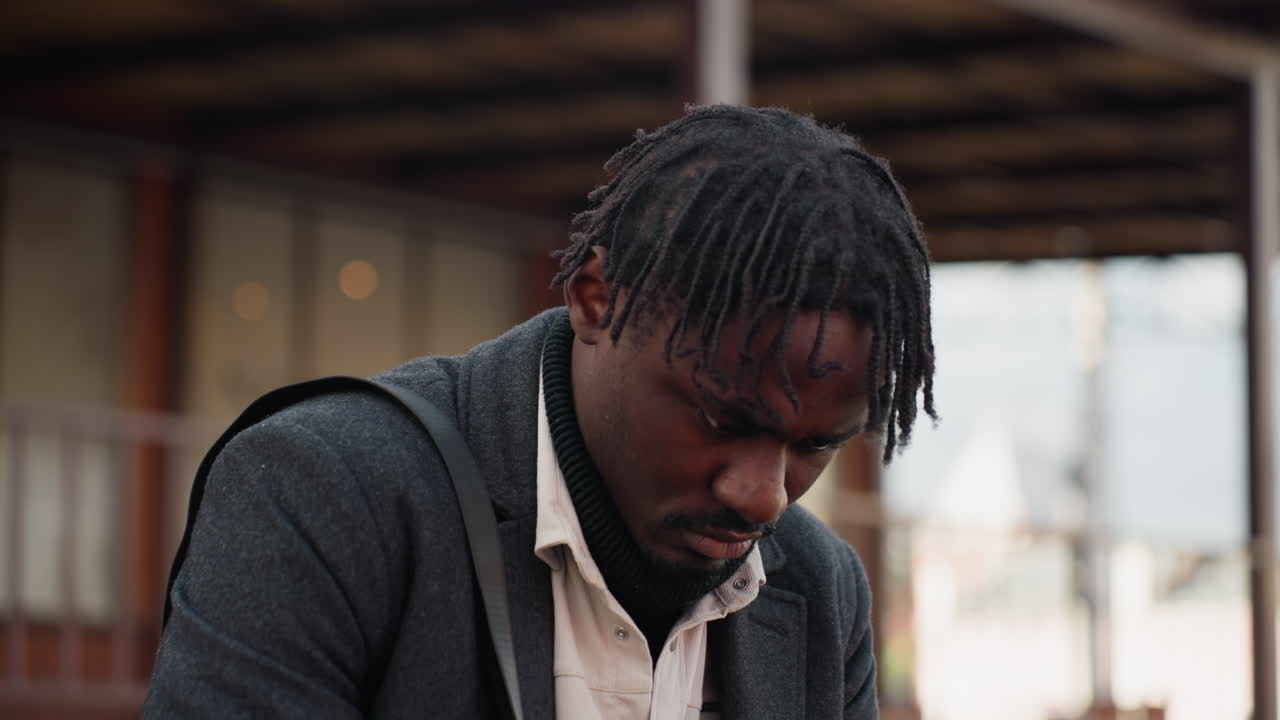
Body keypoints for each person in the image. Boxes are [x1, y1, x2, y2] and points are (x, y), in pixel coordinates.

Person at [144, 104, 936, 719]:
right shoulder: (324, 493)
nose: (763, 495)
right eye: (723, 420)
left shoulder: (823, 589)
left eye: (814, 446)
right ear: (596, 299)